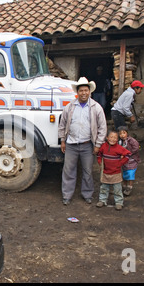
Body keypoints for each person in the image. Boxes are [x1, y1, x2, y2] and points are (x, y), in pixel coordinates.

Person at [58, 77, 107, 205]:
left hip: (87, 145)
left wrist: (97, 144)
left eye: (86, 90)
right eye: (81, 90)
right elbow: (62, 124)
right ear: (77, 92)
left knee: (88, 171)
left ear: (89, 92)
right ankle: (67, 196)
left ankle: (87, 194)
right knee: (68, 170)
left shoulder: (96, 107)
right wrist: (63, 140)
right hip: (71, 144)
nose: (84, 93)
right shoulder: (70, 107)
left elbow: (102, 127)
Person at [96, 129, 131, 210]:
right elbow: (99, 154)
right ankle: (102, 200)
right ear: (107, 138)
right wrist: (100, 162)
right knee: (104, 187)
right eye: (111, 137)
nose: (113, 139)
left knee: (117, 189)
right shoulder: (103, 146)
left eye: (115, 138)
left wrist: (120, 163)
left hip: (116, 172)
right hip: (105, 171)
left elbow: (128, 154)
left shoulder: (119, 148)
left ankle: (119, 202)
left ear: (117, 139)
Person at [118, 126, 140, 196]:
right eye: (120, 134)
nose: (122, 135)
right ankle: (124, 186)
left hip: (132, 160)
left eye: (124, 133)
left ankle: (129, 187)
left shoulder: (131, 140)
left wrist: (128, 153)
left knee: (131, 174)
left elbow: (136, 147)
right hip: (125, 161)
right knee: (125, 173)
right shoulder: (120, 142)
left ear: (127, 133)